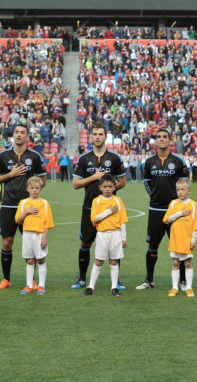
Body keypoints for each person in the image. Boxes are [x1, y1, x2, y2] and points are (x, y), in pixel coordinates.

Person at [72, 123, 126, 290]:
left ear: (105, 136)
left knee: (114, 245)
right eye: (94, 134)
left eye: (100, 134)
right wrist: (95, 177)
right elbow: (76, 183)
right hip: (90, 207)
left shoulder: (115, 158)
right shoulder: (84, 158)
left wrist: (109, 189)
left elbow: (122, 181)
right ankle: (82, 279)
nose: (97, 137)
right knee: (86, 243)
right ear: (91, 136)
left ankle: (116, 281)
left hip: (111, 210)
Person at [0, 124, 46, 289]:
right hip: (8, 205)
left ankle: (33, 280)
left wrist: (33, 191)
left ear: (27, 136)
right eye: (17, 132)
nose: (19, 135)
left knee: (30, 243)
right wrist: (11, 174)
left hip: (28, 207)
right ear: (13, 135)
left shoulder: (35, 156)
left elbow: (42, 180)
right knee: (7, 242)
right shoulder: (3, 156)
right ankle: (6, 279)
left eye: (23, 132)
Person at [137, 129, 189, 290]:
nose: (161, 139)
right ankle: (149, 280)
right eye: (158, 137)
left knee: (179, 246)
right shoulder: (149, 162)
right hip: (155, 209)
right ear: (155, 141)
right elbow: (146, 181)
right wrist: (153, 195)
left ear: (169, 140)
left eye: (164, 137)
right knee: (152, 245)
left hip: (175, 210)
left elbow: (185, 183)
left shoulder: (179, 161)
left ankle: (182, 281)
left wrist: (179, 201)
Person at [83, 175, 128, 297]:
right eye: (105, 187)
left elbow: (122, 221)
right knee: (99, 261)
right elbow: (94, 218)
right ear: (100, 187)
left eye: (110, 186)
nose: (107, 189)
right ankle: (90, 287)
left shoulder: (118, 201)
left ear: (114, 187)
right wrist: (108, 212)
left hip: (116, 235)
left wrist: (124, 238)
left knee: (114, 261)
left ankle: (114, 287)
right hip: (102, 235)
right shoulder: (96, 201)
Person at [15, 176, 55, 295]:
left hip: (40, 235)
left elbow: (48, 222)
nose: (34, 190)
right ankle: (29, 285)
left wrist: (45, 238)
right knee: (30, 260)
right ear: (27, 189)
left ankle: (41, 285)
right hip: (27, 235)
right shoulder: (23, 203)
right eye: (32, 188)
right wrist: (26, 212)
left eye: (37, 188)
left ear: (41, 189)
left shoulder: (44, 203)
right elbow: (18, 220)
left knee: (41, 259)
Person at [163, 178, 197, 298]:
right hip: (175, 239)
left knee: (188, 263)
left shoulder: (193, 204)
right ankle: (174, 287)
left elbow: (196, 224)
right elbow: (167, 219)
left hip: (187, 239)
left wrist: (193, 240)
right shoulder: (173, 203)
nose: (180, 192)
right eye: (178, 189)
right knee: (175, 262)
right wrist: (180, 214)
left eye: (183, 189)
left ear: (189, 190)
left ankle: (189, 288)